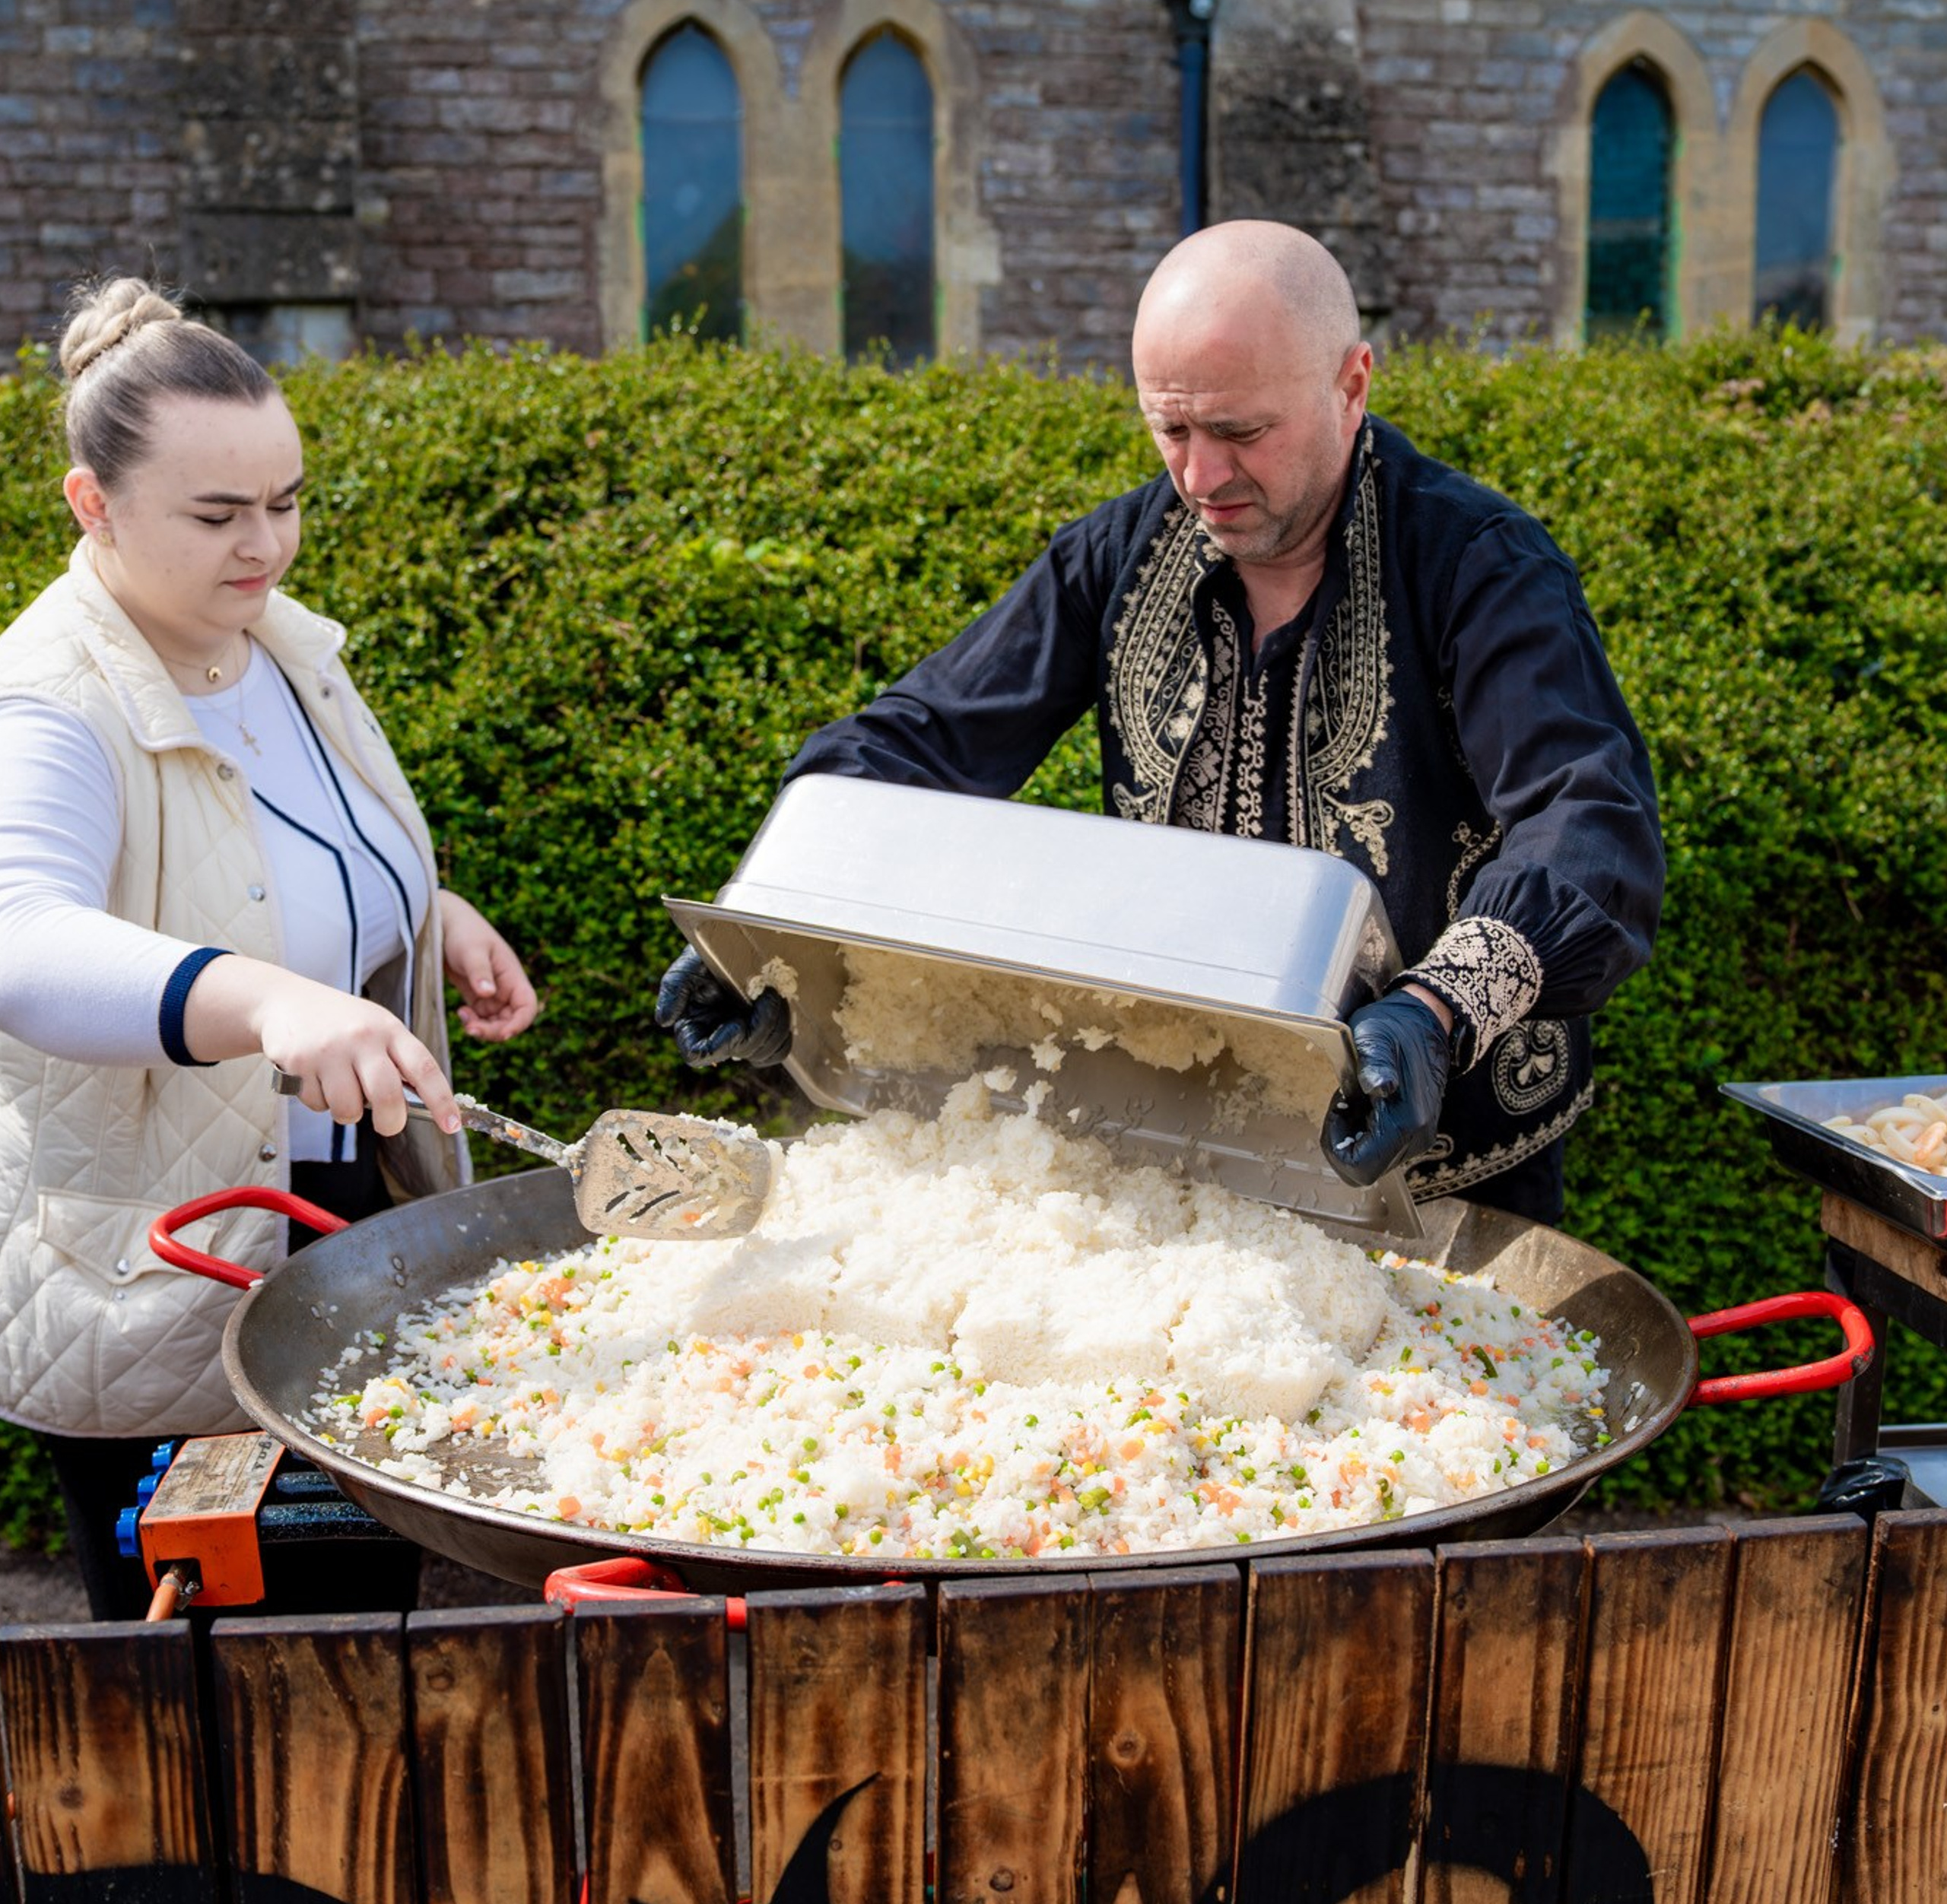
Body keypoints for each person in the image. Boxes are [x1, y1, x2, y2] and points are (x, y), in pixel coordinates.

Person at [659, 221, 1663, 1230]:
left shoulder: (1480, 567)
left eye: (1241, 432)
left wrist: (1435, 1013)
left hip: (1449, 1177)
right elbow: (916, 743)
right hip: (1186, 1159)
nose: (1201, 477)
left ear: (1352, 384)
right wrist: (772, 927)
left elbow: (1589, 826)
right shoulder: (1117, 557)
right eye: (1171, 430)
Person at [0, 277, 538, 1619]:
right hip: (160, 1274)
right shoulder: (49, 698)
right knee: (222, 1697)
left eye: (287, 502)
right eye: (219, 514)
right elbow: (20, 942)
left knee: (365, 1648)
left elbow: (267, 855)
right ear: (93, 504)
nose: (268, 545)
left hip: (341, 1228)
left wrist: (417, 910)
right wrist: (267, 1001)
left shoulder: (282, 645)